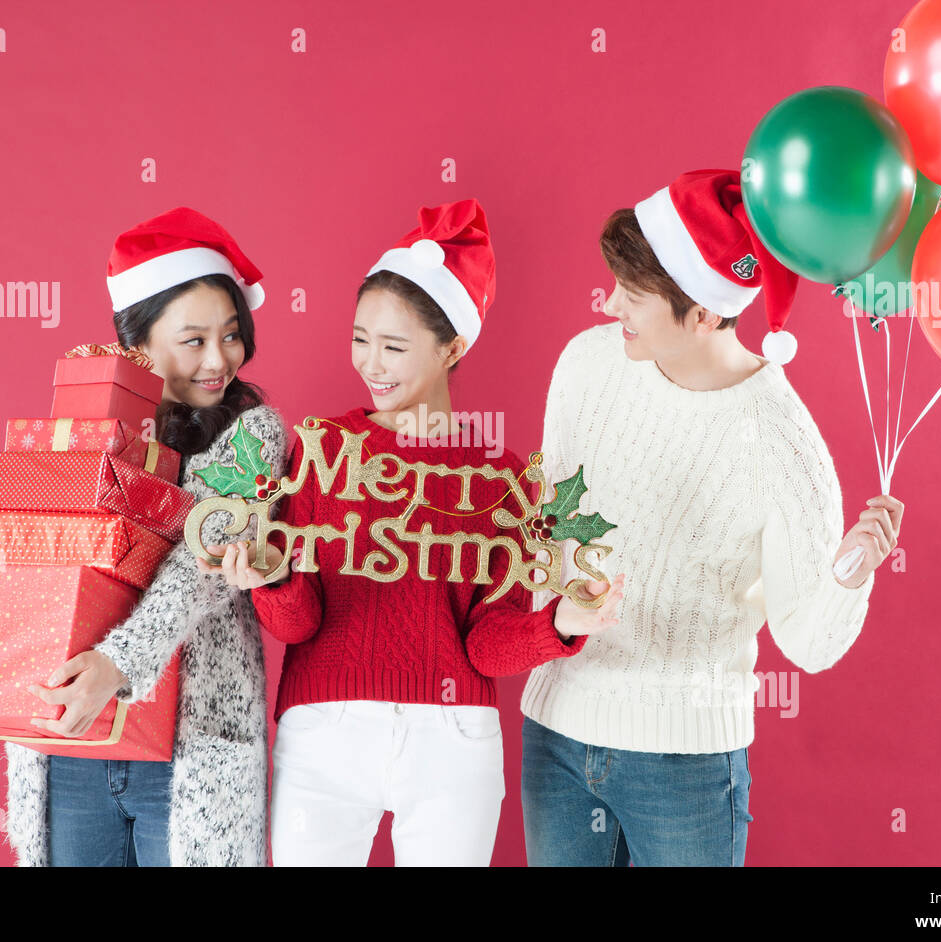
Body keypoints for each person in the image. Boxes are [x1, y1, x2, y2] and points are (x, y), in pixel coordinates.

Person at [199, 198, 626, 865]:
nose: (372, 364)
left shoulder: (500, 481)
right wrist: (273, 577)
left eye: (394, 346)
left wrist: (560, 625)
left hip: (452, 742)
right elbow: (297, 625)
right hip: (324, 731)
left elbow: (486, 648)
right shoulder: (322, 451)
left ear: (452, 346)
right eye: (360, 339)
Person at [519, 169, 904, 866]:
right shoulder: (587, 364)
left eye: (633, 298)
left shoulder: (781, 437)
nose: (611, 306)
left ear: (702, 313)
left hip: (685, 765)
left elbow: (806, 642)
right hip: (556, 733)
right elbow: (548, 532)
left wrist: (850, 573)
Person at [0, 206, 288, 866]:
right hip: (69, 752)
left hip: (187, 758)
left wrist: (117, 665)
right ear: (137, 343)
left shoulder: (255, 435)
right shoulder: (87, 431)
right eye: (193, 340)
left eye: (231, 335)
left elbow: (205, 557)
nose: (220, 358)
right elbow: (14, 539)